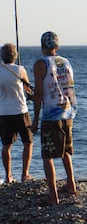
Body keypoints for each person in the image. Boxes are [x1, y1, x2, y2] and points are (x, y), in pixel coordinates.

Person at [31, 31, 78, 205]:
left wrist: (35, 118)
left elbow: (39, 94)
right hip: (68, 111)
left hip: (51, 115)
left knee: (47, 155)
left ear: (43, 46)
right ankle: (71, 184)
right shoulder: (65, 62)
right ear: (56, 46)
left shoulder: (40, 64)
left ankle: (52, 195)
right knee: (65, 149)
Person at [0, 43, 34, 183]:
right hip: (20, 111)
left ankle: (8, 176)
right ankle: (25, 173)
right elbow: (28, 89)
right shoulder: (20, 69)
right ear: (15, 56)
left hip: (3, 112)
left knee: (6, 145)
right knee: (28, 142)